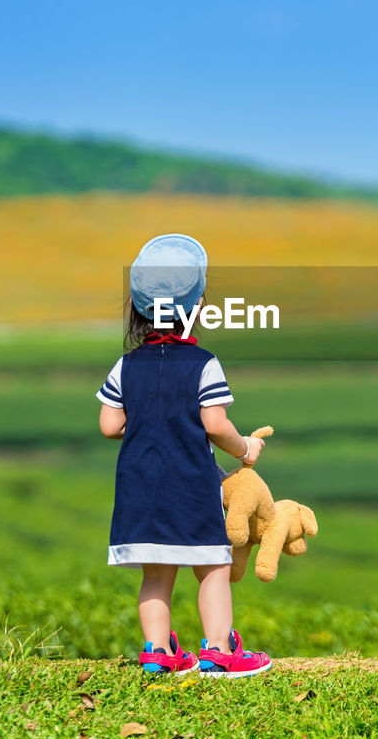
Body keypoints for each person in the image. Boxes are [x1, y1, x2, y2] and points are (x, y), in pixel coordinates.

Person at [97, 233, 273, 678]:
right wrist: (246, 448)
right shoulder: (204, 364)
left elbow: (109, 425)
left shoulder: (126, 364)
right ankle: (218, 649)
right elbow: (215, 424)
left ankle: (157, 652)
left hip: (140, 488)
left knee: (155, 574)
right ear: (196, 308)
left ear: (138, 308)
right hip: (190, 487)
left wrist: (147, 424)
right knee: (213, 565)